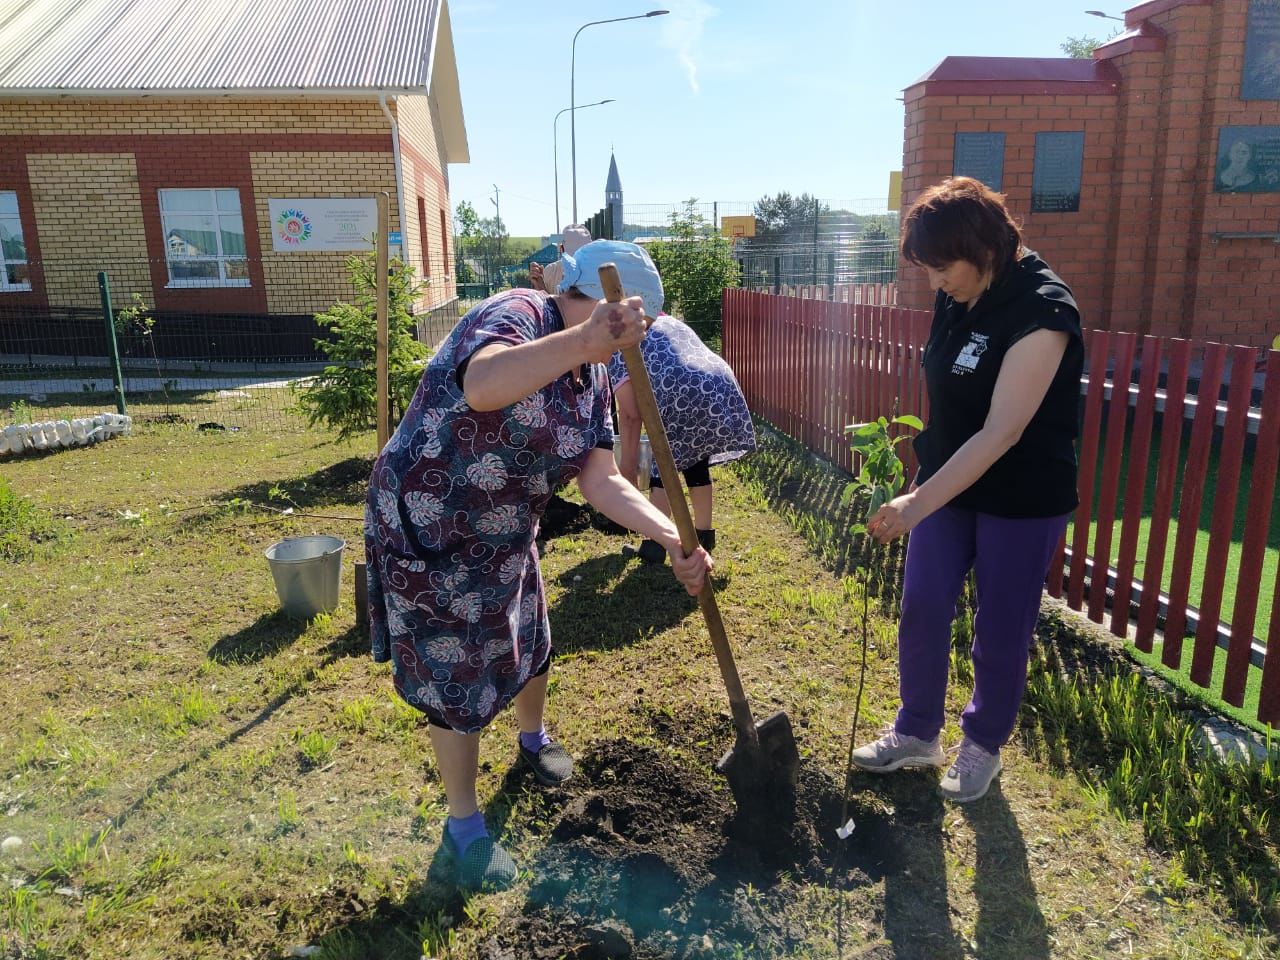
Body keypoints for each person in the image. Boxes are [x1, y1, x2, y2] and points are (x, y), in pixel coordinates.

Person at [364, 239, 712, 891]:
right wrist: (586, 341)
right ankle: (463, 831)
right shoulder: (520, 312)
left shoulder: (599, 373)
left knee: (532, 635)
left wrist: (672, 536)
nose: (627, 348)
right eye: (628, 331)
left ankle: (532, 741)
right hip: (433, 519)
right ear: (601, 302)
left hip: (505, 523)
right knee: (454, 673)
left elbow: (601, 478)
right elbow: (483, 383)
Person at [850, 176, 1083, 803]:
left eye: (942, 267)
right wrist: (927, 486)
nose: (935, 283)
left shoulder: (1044, 311)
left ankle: (982, 743)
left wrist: (917, 502)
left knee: (1000, 625)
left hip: (1022, 496)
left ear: (984, 248)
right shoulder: (961, 290)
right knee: (924, 603)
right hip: (949, 481)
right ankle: (917, 731)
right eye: (927, 269)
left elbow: (1002, 432)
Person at [586, 252, 755, 560]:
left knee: (663, 466)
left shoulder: (621, 341)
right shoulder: (667, 321)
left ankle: (654, 546)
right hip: (717, 384)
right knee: (694, 459)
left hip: (680, 393)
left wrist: (627, 467)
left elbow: (630, 414)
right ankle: (704, 535)